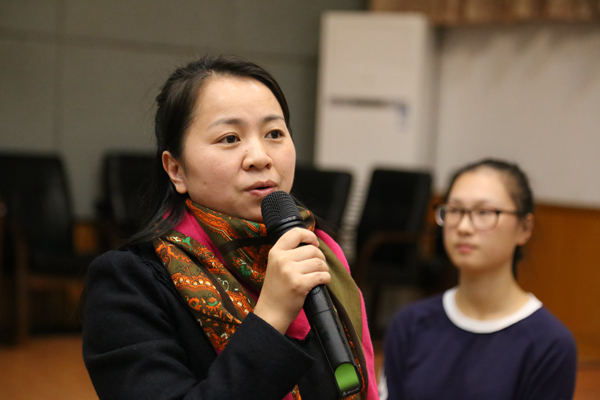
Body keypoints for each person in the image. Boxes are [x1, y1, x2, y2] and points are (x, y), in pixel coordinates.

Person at [81, 55, 379, 400]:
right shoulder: (127, 284)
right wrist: (271, 315)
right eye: (230, 138)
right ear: (176, 170)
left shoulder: (321, 254)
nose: (260, 157)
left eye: (274, 133)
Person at [378, 159, 577, 400]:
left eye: (484, 212)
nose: (464, 227)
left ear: (524, 228)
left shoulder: (549, 343)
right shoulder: (410, 324)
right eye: (455, 210)